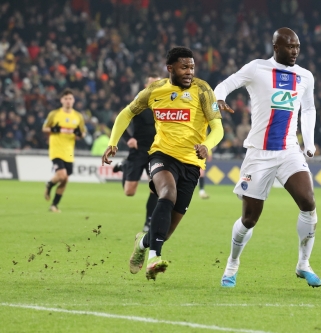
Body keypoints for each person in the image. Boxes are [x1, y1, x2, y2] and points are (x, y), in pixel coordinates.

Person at [102, 47, 224, 281]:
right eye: (184, 67)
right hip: (162, 155)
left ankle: (143, 243)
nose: (189, 72)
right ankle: (154, 259)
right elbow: (126, 113)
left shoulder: (203, 90)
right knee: (167, 193)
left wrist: (206, 145)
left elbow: (218, 128)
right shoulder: (154, 90)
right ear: (170, 68)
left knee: (164, 232)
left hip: (191, 163)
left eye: (192, 67)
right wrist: (113, 142)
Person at [214, 27, 321, 288]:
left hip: (288, 151)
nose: (295, 51)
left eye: (297, 46)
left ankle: (303, 264)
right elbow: (225, 84)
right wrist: (219, 99)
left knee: (308, 202)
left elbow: (308, 108)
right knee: (249, 219)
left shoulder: (305, 76)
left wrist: (309, 142)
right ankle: (232, 264)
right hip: (259, 154)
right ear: (276, 47)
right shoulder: (257, 68)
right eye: (290, 46)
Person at [113, 73, 161, 232]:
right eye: (152, 84)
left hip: (156, 151)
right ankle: (125, 166)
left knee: (155, 187)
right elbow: (121, 119)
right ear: (146, 86)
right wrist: (128, 139)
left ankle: (149, 221)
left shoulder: (166, 104)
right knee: (129, 192)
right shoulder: (139, 103)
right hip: (138, 150)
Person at [42, 89, 87, 212]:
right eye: (66, 99)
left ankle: (54, 205)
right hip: (56, 150)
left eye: (70, 99)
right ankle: (50, 184)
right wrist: (53, 129)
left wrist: (79, 134)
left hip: (69, 152)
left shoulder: (78, 116)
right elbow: (45, 128)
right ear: (61, 100)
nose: (68, 101)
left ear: (73, 100)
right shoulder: (54, 114)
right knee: (62, 175)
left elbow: (83, 133)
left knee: (65, 179)